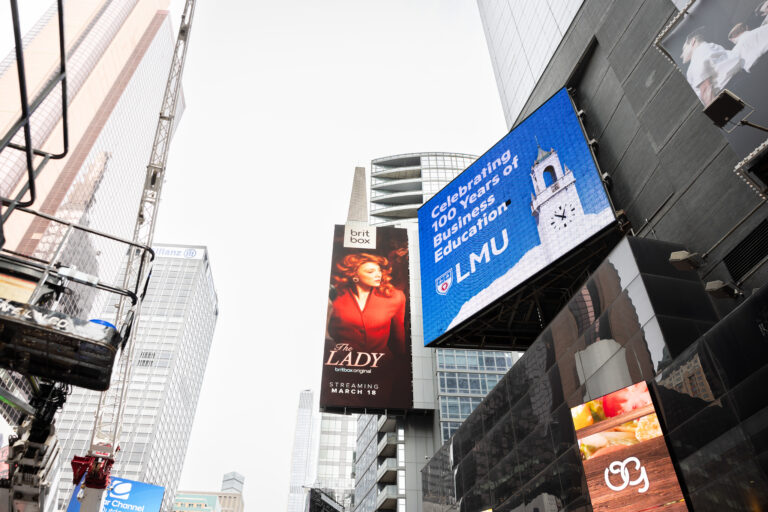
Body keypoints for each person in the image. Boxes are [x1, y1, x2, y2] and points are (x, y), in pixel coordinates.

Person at [327, 252, 406, 355]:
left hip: (381, 362)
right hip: (341, 360)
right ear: (354, 274)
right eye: (370, 271)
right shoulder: (334, 296)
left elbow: (399, 338)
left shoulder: (395, 296)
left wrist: (401, 361)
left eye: (379, 270)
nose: (378, 275)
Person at [681, 28, 741, 105]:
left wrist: (716, 110)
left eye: (684, 49)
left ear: (693, 41)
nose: (681, 55)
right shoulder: (713, 46)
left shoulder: (697, 55)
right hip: (740, 82)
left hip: (729, 95)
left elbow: (706, 89)